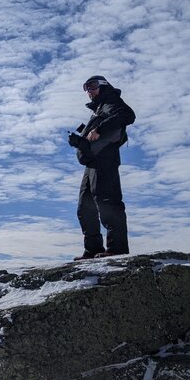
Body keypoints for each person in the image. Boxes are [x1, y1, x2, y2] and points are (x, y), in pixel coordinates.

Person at [68, 75, 136, 260]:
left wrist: (99, 129)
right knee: (85, 207)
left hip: (106, 159)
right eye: (86, 87)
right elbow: (90, 140)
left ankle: (117, 249)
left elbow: (127, 115)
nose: (89, 90)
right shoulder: (99, 108)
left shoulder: (111, 101)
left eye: (93, 86)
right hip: (92, 163)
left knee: (108, 202)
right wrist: (79, 141)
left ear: (104, 86)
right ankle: (92, 249)